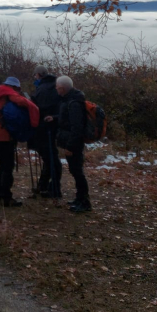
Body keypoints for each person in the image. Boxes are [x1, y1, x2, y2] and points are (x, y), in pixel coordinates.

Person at [0, 76, 40, 207]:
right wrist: (32, 105)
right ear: (14, 87)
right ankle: (6, 197)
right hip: (6, 135)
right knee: (8, 166)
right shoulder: (9, 94)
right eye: (17, 89)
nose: (18, 91)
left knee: (3, 165)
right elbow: (22, 102)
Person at [55, 76, 92, 213]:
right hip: (70, 141)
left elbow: (77, 127)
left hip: (74, 143)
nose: (56, 89)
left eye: (57, 87)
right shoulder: (70, 100)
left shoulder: (74, 103)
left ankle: (85, 202)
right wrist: (54, 118)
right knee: (75, 170)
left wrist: (70, 146)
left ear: (62, 88)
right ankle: (79, 198)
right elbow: (66, 119)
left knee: (77, 172)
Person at [29, 66, 63, 198]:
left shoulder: (43, 89)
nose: (34, 78)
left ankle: (54, 188)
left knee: (51, 159)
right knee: (50, 158)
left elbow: (40, 109)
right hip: (53, 127)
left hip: (44, 129)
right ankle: (44, 186)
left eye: (35, 75)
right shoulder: (55, 86)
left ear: (38, 75)